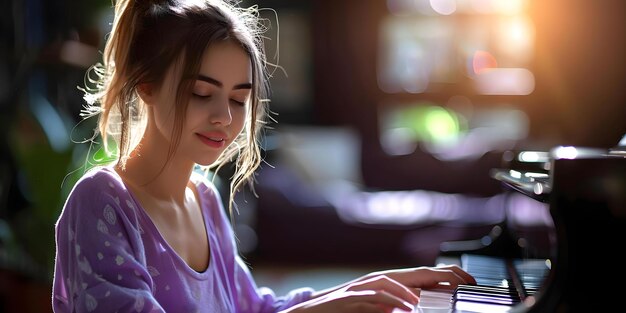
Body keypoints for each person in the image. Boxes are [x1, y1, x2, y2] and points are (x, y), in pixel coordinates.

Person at [52, 0, 476, 312]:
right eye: (202, 93)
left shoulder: (204, 198)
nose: (223, 117)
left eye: (239, 100)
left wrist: (362, 288)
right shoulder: (102, 202)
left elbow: (250, 308)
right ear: (145, 86)